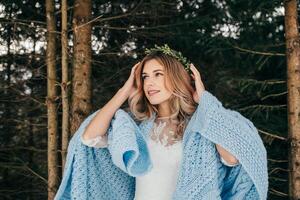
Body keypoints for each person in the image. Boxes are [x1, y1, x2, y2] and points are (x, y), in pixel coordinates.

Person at [54, 44, 268, 200]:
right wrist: (124, 91)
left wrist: (204, 101)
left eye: (158, 74)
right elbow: (90, 137)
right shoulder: (135, 124)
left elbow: (231, 157)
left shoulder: (203, 124)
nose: (150, 82)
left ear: (175, 78)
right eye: (145, 76)